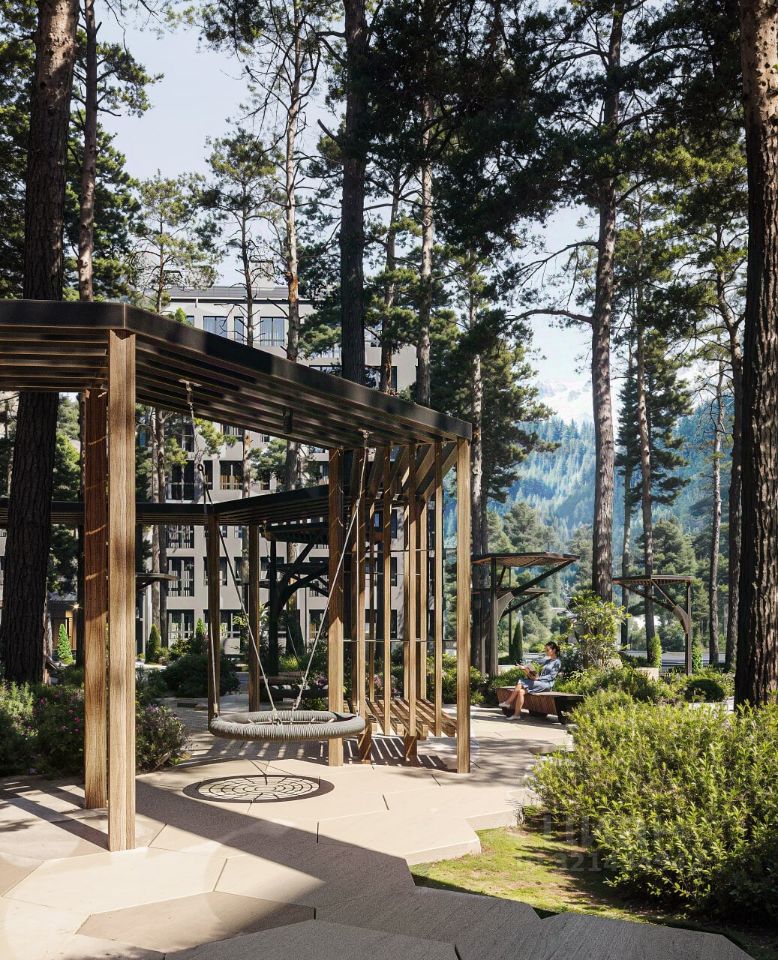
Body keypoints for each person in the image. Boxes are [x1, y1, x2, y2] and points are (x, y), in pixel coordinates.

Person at [501, 641, 561, 719]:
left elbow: (551, 677)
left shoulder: (557, 662)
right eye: (545, 650)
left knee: (521, 681)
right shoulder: (547, 661)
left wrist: (538, 678)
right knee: (521, 692)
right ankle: (516, 715)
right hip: (539, 682)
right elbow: (537, 668)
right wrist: (527, 671)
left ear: (554, 650)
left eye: (547, 650)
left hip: (546, 685)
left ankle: (508, 702)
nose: (546, 652)